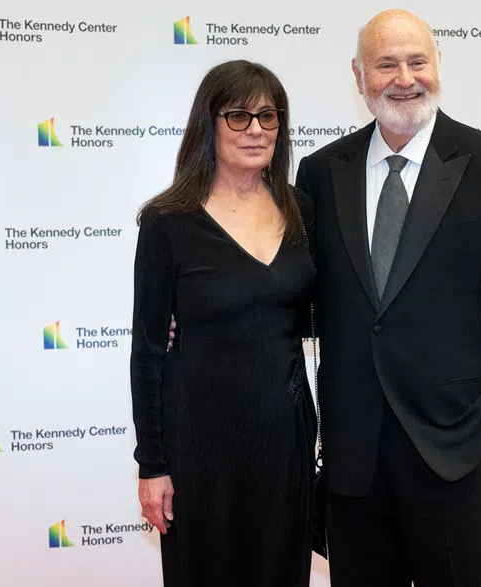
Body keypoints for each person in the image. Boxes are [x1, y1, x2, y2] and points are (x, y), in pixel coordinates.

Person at [293, 9, 481, 587]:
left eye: (417, 60)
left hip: (458, 454)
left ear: (438, 64)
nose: (404, 77)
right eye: (386, 63)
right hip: (353, 459)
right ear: (359, 75)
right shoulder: (320, 173)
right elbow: (299, 292)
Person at [129, 59, 317, 587]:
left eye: (268, 116)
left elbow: (314, 312)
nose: (256, 130)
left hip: (285, 439)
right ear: (208, 124)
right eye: (238, 116)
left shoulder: (300, 208)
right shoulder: (168, 221)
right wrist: (152, 464)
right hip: (198, 445)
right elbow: (147, 352)